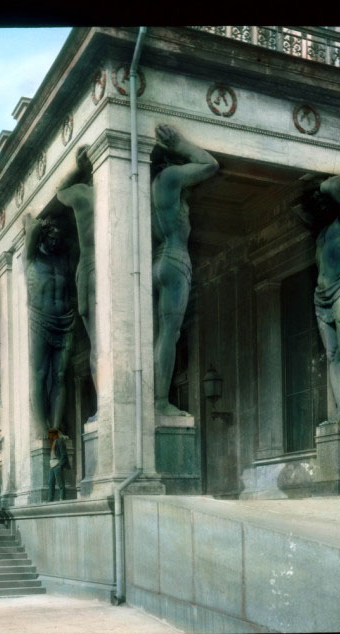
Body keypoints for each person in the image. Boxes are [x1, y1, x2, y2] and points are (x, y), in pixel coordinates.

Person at [150, 124, 219, 416]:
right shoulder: (169, 177)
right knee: (169, 333)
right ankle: (160, 402)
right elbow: (209, 164)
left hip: (159, 259)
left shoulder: (152, 188)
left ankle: (157, 399)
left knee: (163, 334)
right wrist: (180, 144)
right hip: (175, 259)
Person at [292, 167, 340, 423]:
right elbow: (300, 211)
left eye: (323, 200)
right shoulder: (323, 232)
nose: (321, 204)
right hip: (322, 297)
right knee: (332, 355)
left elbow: (328, 187)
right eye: (317, 201)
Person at [24, 212, 75, 436]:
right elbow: (31, 225)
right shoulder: (31, 258)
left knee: (60, 375)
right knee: (40, 374)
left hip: (65, 321)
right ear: (43, 237)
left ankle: (55, 429)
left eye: (58, 239)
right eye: (51, 238)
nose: (55, 243)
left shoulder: (62, 261)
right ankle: (41, 428)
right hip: (39, 320)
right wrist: (44, 224)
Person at [57, 145, 98, 419]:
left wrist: (76, 169)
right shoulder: (115, 193)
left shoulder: (82, 194)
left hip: (85, 271)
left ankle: (104, 404)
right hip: (105, 271)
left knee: (97, 343)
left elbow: (60, 192)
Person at [48, 429, 71, 502]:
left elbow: (64, 454)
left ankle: (62, 499)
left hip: (57, 464)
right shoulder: (53, 442)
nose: (49, 435)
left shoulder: (60, 441)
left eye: (50, 433)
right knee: (50, 483)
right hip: (52, 465)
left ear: (54, 434)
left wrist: (60, 465)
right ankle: (50, 500)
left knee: (60, 483)